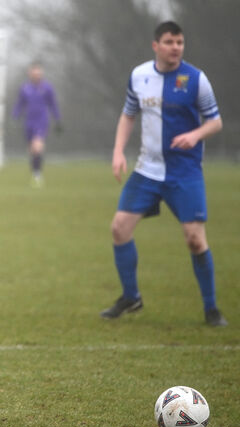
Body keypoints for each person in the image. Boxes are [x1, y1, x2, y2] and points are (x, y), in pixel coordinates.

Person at [101, 21, 226, 326]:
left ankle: (211, 308)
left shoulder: (196, 79)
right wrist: (118, 151)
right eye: (169, 42)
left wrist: (195, 135)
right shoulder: (139, 76)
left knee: (195, 239)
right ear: (156, 45)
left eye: (180, 42)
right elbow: (128, 114)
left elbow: (215, 121)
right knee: (119, 228)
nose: (176, 47)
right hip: (147, 170)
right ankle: (131, 297)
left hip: (184, 172)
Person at [12, 61, 61, 186]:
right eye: (34, 73)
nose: (36, 75)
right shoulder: (25, 88)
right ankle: (35, 172)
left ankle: (37, 174)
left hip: (41, 121)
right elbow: (20, 104)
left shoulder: (47, 88)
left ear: (41, 74)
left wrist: (57, 119)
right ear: (30, 74)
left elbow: (53, 104)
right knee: (32, 150)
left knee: (37, 146)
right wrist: (15, 116)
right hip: (29, 122)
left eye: (38, 73)